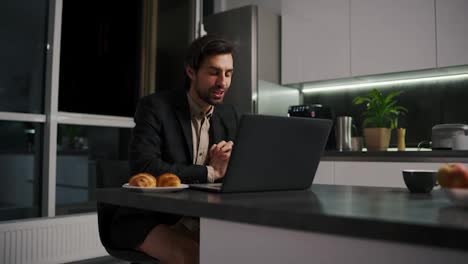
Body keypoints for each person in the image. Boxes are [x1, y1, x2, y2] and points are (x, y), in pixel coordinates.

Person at [109, 35, 239, 264]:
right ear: (191, 72)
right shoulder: (155, 107)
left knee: (236, 249)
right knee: (196, 256)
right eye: (214, 72)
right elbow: (145, 166)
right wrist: (211, 172)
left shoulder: (228, 116)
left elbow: (234, 172)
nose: (223, 82)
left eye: (228, 73)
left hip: (201, 215)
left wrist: (232, 164)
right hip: (148, 217)